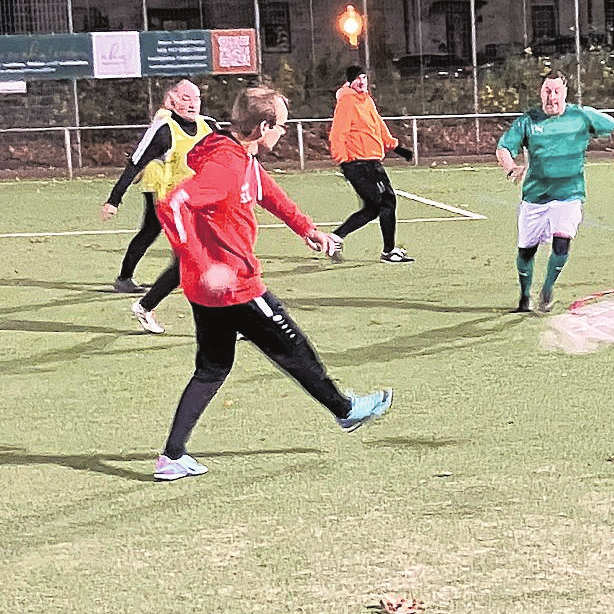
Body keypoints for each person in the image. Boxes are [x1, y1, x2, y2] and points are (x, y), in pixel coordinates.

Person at [151, 86, 393, 481]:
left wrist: (309, 231)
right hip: (233, 287)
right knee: (293, 347)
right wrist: (197, 258)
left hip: (209, 289)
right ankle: (345, 411)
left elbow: (269, 193)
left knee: (212, 368)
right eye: (281, 125)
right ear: (263, 127)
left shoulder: (236, 155)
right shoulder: (225, 166)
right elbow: (172, 203)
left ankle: (172, 457)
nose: (283, 132)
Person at [495, 71, 614, 313]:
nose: (551, 97)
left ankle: (547, 288)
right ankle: (524, 296)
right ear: (541, 93)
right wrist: (510, 168)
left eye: (556, 91)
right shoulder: (529, 121)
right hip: (535, 198)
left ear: (564, 93)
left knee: (561, 244)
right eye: (547, 91)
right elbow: (503, 147)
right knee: (526, 253)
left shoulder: (580, 116)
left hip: (569, 195)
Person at [101, 79, 216, 334]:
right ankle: (227, 322)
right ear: (172, 101)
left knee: (196, 263)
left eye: (195, 98)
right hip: (173, 205)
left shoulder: (209, 125)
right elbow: (135, 163)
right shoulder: (164, 129)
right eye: (185, 98)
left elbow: (229, 157)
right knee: (193, 260)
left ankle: (145, 304)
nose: (191, 103)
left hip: (206, 206)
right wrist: (114, 199)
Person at [328, 64, 415, 264]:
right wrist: (343, 160)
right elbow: (337, 133)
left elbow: (378, 126)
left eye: (364, 78)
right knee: (387, 201)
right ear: (349, 82)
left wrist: (396, 147)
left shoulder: (365, 100)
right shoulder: (348, 101)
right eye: (357, 78)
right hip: (359, 162)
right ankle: (389, 251)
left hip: (370, 160)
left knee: (374, 207)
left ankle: (336, 238)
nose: (361, 82)